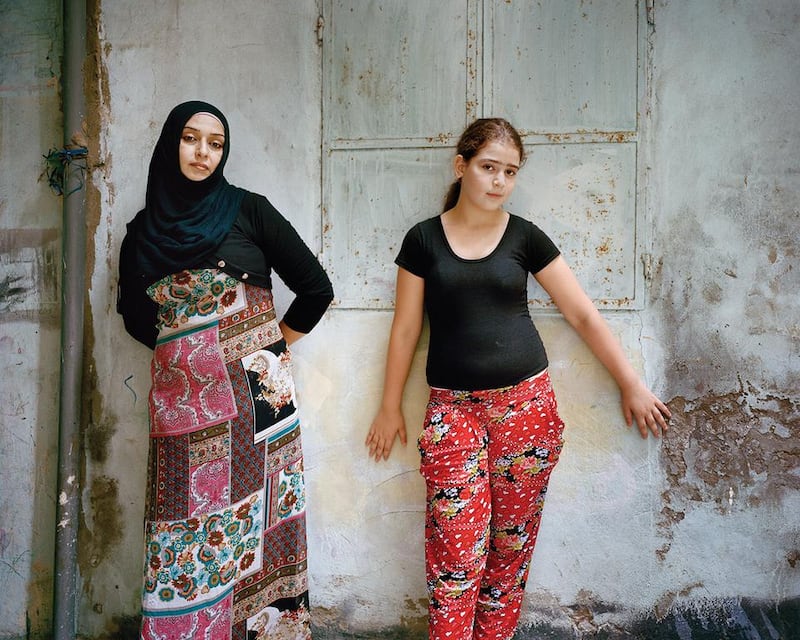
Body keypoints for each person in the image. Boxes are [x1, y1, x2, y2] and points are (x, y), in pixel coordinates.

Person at [365, 117, 671, 640]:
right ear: (461, 167)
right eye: (488, 167)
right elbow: (406, 329)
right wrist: (390, 405)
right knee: (456, 553)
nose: (499, 180)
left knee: (509, 549)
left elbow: (582, 315)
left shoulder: (526, 237)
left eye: (510, 171)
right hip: (452, 411)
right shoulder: (422, 241)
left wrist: (631, 383)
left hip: (525, 409)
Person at [117, 101, 332, 639]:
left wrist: (262, 349)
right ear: (172, 144)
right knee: (181, 532)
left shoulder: (248, 209)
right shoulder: (142, 232)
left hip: (260, 403)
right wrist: (189, 356)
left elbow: (316, 289)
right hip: (181, 407)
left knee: (264, 531)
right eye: (191, 139)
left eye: (214, 143)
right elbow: (137, 320)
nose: (202, 152)